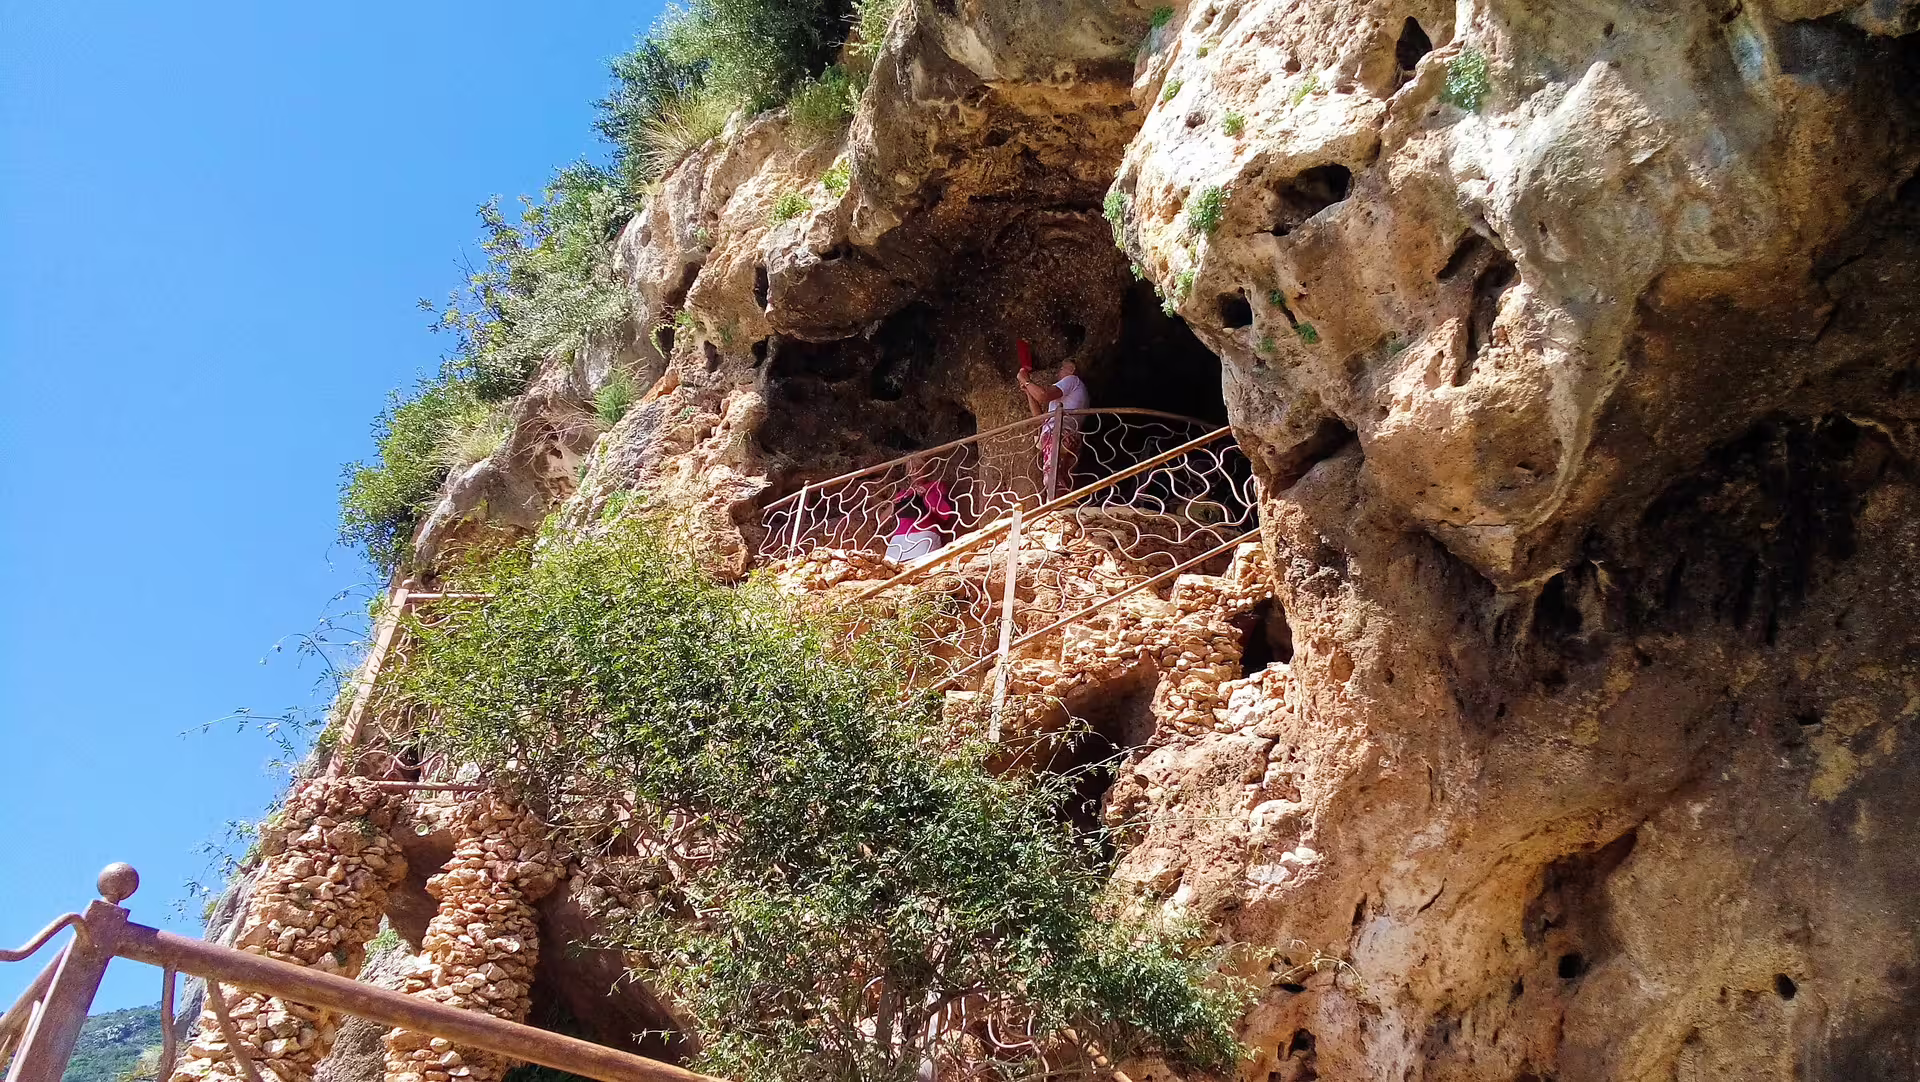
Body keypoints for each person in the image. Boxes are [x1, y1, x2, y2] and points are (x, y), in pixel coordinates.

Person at [1018, 354, 1090, 496]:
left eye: (1062, 368)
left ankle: (1056, 511)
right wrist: (1028, 391)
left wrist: (1025, 380)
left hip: (1059, 434)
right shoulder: (1074, 393)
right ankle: (1063, 508)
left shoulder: (1072, 380)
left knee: (1053, 478)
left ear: (1072, 369)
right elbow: (1040, 419)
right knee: (1061, 478)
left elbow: (1043, 395)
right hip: (1067, 436)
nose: (1059, 372)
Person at [885, 456, 954, 563]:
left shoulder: (936, 486)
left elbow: (945, 514)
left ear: (928, 469)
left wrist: (926, 496)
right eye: (911, 469)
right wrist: (894, 503)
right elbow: (882, 520)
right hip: (898, 540)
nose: (915, 472)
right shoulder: (902, 494)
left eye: (919, 467)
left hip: (924, 535)